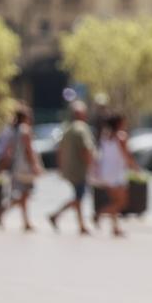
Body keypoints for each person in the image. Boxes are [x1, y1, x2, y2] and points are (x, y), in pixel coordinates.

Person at [48, 101, 97, 235]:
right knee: (79, 196)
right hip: (79, 169)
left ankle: (81, 225)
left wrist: (61, 167)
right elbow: (86, 149)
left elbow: (59, 150)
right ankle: (56, 215)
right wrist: (91, 165)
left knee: (78, 196)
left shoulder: (67, 129)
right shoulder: (81, 128)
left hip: (69, 169)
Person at [0, 107, 42, 231]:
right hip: (25, 168)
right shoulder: (25, 130)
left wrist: (3, 166)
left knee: (23, 195)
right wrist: (35, 165)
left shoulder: (13, 131)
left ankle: (24, 221)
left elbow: (8, 152)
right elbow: (29, 151)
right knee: (24, 195)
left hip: (16, 167)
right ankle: (3, 211)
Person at [93, 114, 139, 238]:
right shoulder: (121, 137)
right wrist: (135, 168)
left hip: (106, 172)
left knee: (114, 201)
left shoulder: (105, 137)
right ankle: (100, 213)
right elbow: (126, 155)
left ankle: (115, 228)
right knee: (122, 202)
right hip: (117, 173)